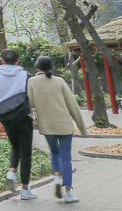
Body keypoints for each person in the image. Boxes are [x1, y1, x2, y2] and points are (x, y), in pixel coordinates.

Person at [28, 56, 87, 203]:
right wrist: (82, 128)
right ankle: (68, 194)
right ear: (52, 67)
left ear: (37, 67)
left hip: (47, 126)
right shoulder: (60, 81)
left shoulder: (32, 82)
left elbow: (30, 102)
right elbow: (72, 105)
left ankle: (56, 177)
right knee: (66, 158)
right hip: (64, 125)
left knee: (54, 153)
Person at [0, 48, 37, 200]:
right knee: (26, 152)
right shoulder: (25, 75)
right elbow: (31, 97)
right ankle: (24, 189)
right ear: (17, 60)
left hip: (6, 117)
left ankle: (11, 171)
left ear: (2, 60)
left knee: (15, 145)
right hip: (23, 116)